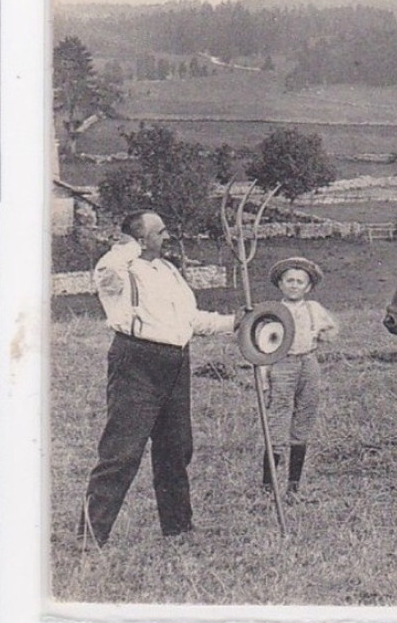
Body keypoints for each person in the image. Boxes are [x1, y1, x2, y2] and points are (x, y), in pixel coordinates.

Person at [77, 210, 239, 547]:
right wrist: (127, 244)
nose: (167, 237)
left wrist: (233, 323)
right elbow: (107, 268)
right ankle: (90, 536)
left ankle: (178, 528)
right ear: (139, 239)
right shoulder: (118, 272)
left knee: (176, 448)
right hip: (136, 361)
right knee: (122, 451)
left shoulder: (169, 271)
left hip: (177, 363)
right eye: (160, 232)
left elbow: (190, 319)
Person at [261, 257, 339, 497]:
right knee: (277, 419)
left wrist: (320, 333)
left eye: (300, 282)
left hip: (308, 362)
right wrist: (265, 377)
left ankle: (293, 486)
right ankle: (268, 486)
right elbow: (262, 346)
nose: (294, 285)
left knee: (304, 416)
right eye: (289, 281)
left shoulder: (313, 309)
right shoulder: (273, 311)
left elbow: (332, 331)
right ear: (281, 285)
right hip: (281, 365)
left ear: (308, 287)